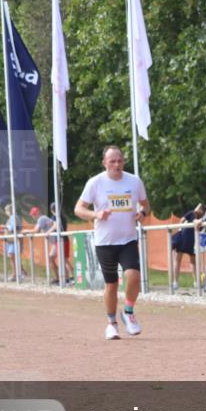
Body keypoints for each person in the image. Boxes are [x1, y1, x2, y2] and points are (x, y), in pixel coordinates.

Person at [74, 145, 150, 341]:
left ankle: (128, 312)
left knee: (133, 275)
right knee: (112, 285)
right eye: (112, 161)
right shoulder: (95, 183)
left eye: (120, 161)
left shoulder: (134, 181)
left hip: (128, 239)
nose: (117, 164)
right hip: (105, 242)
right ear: (104, 163)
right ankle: (111, 324)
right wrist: (96, 214)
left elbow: (146, 204)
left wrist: (142, 213)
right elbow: (79, 209)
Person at [170, 203, 204, 291]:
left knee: (177, 260)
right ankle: (196, 282)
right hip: (193, 238)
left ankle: (175, 282)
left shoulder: (192, 212)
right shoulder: (202, 218)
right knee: (193, 261)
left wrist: (180, 228)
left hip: (184, 237)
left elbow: (182, 220)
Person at [26, 206, 56, 282]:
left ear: (37, 213)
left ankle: (66, 277)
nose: (33, 216)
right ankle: (59, 277)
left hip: (56, 241)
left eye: (33, 214)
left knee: (54, 258)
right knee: (53, 259)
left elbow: (36, 230)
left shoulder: (41, 218)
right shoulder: (42, 218)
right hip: (55, 241)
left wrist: (26, 231)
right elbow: (37, 230)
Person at [47, 202, 73, 284]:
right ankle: (68, 276)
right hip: (63, 240)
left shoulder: (55, 216)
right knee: (60, 258)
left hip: (61, 240)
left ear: (52, 210)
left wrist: (48, 232)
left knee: (62, 259)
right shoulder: (62, 216)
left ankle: (67, 278)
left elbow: (55, 225)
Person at [3, 203, 27, 281]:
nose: (5, 212)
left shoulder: (13, 217)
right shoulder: (13, 217)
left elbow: (13, 228)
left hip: (14, 240)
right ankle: (20, 273)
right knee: (13, 257)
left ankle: (16, 274)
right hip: (12, 240)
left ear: (9, 210)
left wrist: (5, 227)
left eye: (6, 210)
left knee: (13, 256)